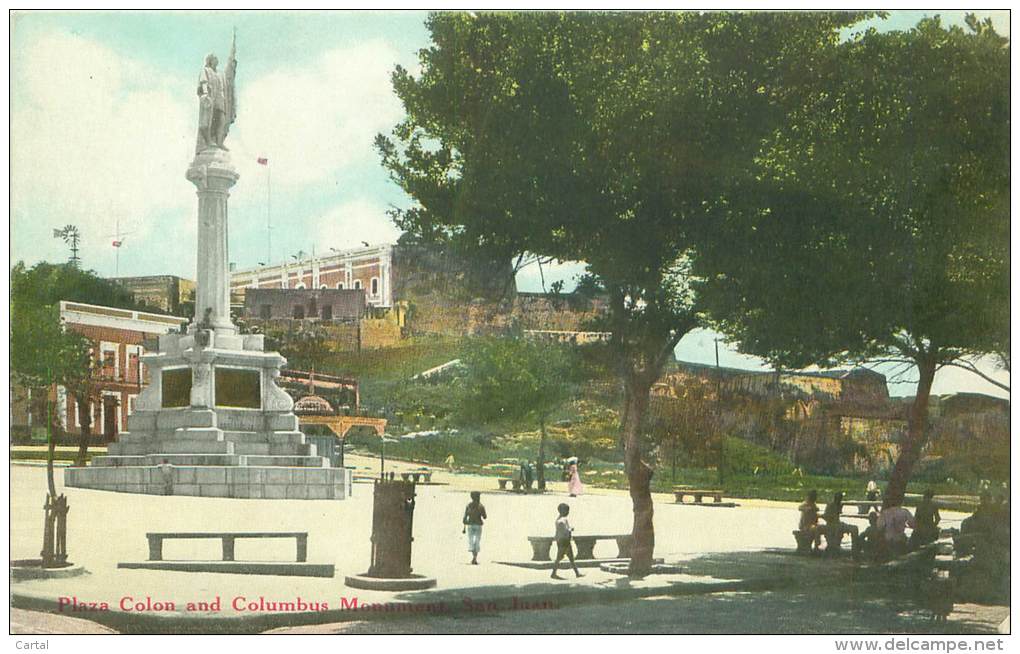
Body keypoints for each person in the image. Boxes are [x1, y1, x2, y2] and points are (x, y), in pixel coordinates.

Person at [550, 503, 582, 580]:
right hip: (563, 542)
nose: (568, 512)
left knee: (570, 558)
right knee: (559, 558)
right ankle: (553, 573)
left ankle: (577, 573)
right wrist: (570, 529)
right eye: (567, 511)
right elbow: (565, 531)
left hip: (565, 541)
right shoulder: (560, 521)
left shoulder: (563, 519)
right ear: (562, 511)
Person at [462, 491, 487, 565]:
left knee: (471, 540)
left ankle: (474, 557)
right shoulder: (481, 506)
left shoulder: (468, 506)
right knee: (477, 540)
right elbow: (485, 516)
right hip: (478, 525)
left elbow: (465, 517)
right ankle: (475, 557)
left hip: (470, 525)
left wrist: (464, 521)